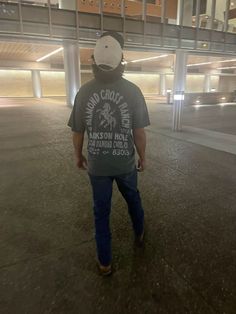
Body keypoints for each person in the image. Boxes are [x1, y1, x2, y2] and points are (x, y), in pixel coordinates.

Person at [68, 31, 150, 276]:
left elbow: (77, 132)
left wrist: (78, 155)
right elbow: (139, 133)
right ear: (121, 60)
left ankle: (105, 263)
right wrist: (143, 157)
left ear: (93, 60)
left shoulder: (84, 92)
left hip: (98, 167)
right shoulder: (133, 91)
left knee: (100, 212)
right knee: (133, 198)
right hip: (125, 164)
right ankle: (140, 233)